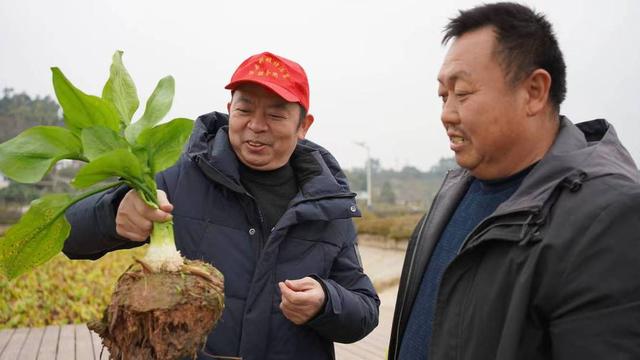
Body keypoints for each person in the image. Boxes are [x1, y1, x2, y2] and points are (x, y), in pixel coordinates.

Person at [63, 51, 379, 360]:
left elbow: (365, 310)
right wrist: (114, 211)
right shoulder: (177, 175)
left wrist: (326, 302)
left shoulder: (327, 203)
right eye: (244, 110)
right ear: (230, 109)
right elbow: (70, 233)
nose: (256, 125)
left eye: (275, 114)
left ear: (303, 125)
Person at [388, 3, 640, 360]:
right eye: (443, 96)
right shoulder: (454, 189)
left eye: (463, 93)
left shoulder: (608, 217)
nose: (446, 114)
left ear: (534, 91)